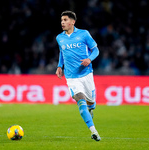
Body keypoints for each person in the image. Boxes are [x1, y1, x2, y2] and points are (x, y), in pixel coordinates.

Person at [55, 10, 101, 141]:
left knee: (91, 104)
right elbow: (62, 52)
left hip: (86, 74)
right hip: (71, 77)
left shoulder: (84, 34)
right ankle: (94, 132)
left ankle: (91, 109)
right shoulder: (60, 37)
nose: (62, 22)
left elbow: (96, 50)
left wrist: (89, 59)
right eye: (61, 20)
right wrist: (59, 66)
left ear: (72, 22)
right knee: (81, 103)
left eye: (65, 20)